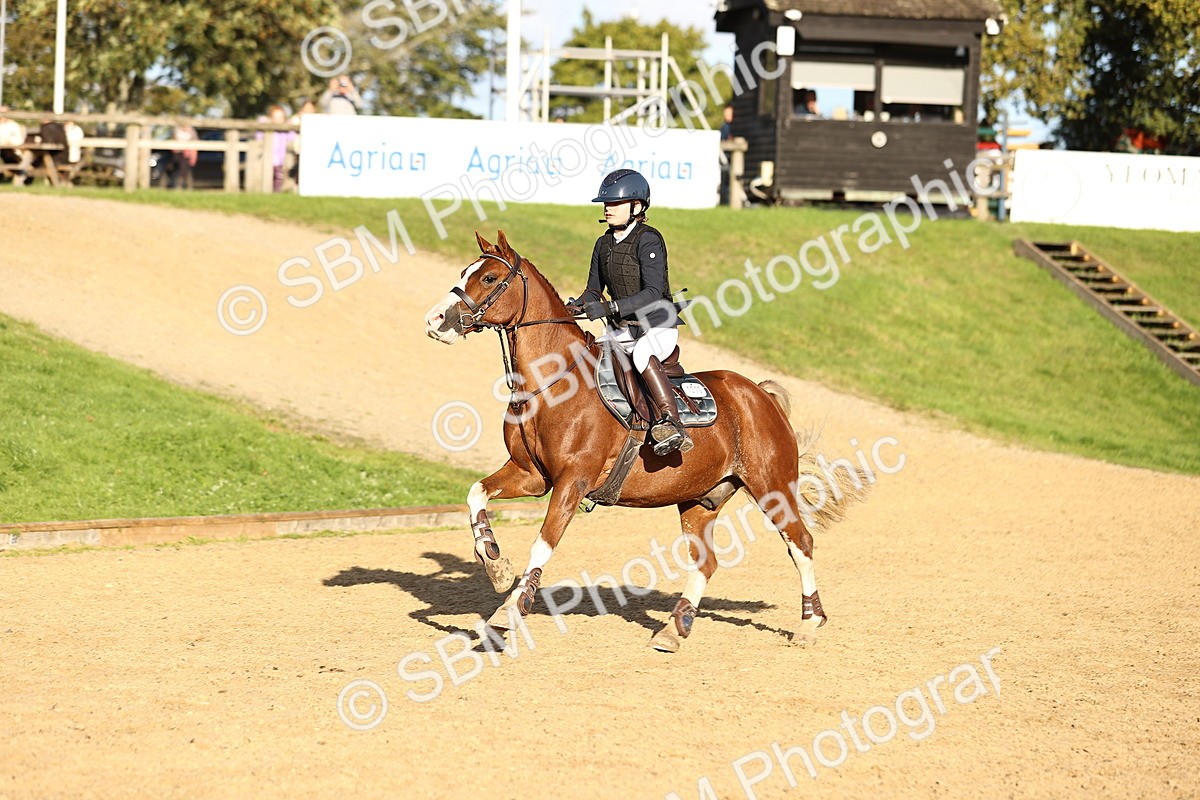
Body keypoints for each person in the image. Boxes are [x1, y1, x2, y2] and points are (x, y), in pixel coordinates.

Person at [565, 168, 693, 456]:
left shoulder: (649, 239)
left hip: (657, 326)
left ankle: (671, 422)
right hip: (621, 330)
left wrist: (611, 307)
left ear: (636, 206)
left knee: (641, 354)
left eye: (615, 203)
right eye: (606, 204)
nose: (607, 208)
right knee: (589, 357)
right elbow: (593, 290)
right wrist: (573, 306)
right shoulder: (603, 244)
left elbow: (652, 292)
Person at [172, 122, 198, 190]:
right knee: (181, 169)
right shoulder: (177, 130)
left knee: (184, 169)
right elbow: (174, 140)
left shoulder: (191, 131)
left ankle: (182, 186)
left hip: (187, 153)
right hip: (178, 152)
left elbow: (195, 141)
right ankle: (184, 186)